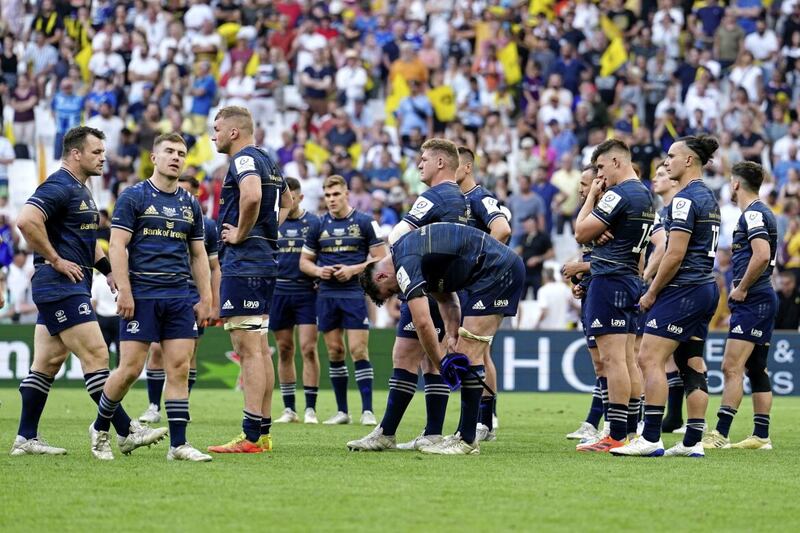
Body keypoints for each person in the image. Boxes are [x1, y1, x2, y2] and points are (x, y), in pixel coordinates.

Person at [11, 126, 165, 457]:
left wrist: (109, 272)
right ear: (76, 154)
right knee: (96, 355)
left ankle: (25, 438)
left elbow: (86, 241)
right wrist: (55, 259)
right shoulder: (59, 184)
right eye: (96, 152)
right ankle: (125, 430)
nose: (103, 158)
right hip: (60, 285)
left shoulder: (82, 189)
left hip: (67, 285)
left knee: (47, 362)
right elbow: (26, 220)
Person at [88, 133, 212, 462]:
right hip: (142, 294)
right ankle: (101, 428)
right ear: (154, 158)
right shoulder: (134, 197)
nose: (175, 157)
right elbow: (116, 246)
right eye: (169, 151)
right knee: (129, 369)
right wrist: (125, 290)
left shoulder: (190, 204)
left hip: (178, 297)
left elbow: (199, 255)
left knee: (179, 368)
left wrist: (206, 296)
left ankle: (178, 445)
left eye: (181, 153)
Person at [358, 222, 525, 455]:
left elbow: (423, 323)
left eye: (391, 291)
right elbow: (446, 299)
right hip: (492, 272)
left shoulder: (404, 263)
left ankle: (467, 440)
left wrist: (440, 364)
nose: (398, 295)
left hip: (497, 272)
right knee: (465, 347)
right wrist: (451, 332)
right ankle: (463, 435)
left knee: (470, 353)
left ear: (382, 276)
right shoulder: (412, 257)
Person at [346, 138, 469, 451]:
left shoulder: (436, 194)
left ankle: (388, 432)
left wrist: (400, 268)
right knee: (427, 359)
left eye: (424, 159)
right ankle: (431, 432)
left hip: (423, 282)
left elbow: (398, 234)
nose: (419, 164)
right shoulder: (458, 198)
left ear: (441, 163)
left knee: (408, 355)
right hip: (440, 283)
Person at [613, 135, 721, 458]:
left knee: (649, 357)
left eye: (672, 156)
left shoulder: (684, 200)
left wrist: (652, 292)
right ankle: (693, 441)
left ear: (689, 161)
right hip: (706, 287)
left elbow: (674, 254)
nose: (666, 162)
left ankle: (650, 438)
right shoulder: (709, 197)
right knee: (692, 363)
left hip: (683, 289)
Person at [207, 106, 292, 454]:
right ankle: (263, 432)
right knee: (259, 348)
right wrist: (267, 231)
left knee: (248, 349)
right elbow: (287, 202)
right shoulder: (268, 161)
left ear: (233, 132)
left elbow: (253, 195)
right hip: (264, 261)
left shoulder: (242, 161)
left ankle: (251, 436)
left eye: (216, 129)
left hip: (244, 263)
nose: (213, 136)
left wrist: (243, 234)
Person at [574, 139, 654, 453]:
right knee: (628, 360)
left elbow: (581, 231)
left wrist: (593, 197)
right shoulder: (645, 195)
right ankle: (630, 430)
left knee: (612, 360)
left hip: (610, 279)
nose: (600, 177)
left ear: (617, 162)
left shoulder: (620, 194)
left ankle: (615, 433)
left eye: (602, 168)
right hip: (630, 278)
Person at [299, 174, 387, 425]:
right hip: (326, 294)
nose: (332, 199)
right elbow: (304, 262)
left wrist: (353, 270)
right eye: (327, 195)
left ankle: (368, 411)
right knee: (335, 351)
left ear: (347, 193)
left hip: (353, 293)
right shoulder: (317, 225)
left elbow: (380, 259)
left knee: (358, 350)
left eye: (336, 194)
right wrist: (318, 271)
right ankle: (342, 412)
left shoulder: (365, 222)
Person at [702, 162, 777, 451]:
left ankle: (720, 433)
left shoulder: (755, 213)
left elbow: (761, 254)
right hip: (762, 297)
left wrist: (742, 287)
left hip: (754, 298)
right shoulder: (760, 212)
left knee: (731, 366)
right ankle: (761, 435)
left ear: (735, 184)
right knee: (756, 368)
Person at [138, 175, 221, 424]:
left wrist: (214, 302)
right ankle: (153, 406)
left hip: (192, 293)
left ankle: (181, 403)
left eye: (186, 192)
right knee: (154, 349)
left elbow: (215, 266)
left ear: (196, 196)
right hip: (161, 289)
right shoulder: (157, 218)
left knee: (188, 353)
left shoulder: (207, 226)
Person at [270, 177, 322, 424]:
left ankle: (310, 408)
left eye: (291, 197)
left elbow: (324, 255)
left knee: (309, 348)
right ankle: (289, 408)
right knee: (284, 349)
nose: (286, 202)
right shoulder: (272, 222)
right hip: (279, 292)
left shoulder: (314, 223)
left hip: (306, 293)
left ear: (300, 198)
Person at [564, 165, 607, 442]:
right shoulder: (593, 219)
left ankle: (618, 424)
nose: (580, 189)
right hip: (593, 291)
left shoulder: (609, 219)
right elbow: (591, 256)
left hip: (611, 293)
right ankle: (595, 422)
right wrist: (579, 279)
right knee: (602, 365)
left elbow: (622, 263)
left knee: (612, 363)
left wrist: (580, 266)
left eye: (584, 184)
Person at [642, 163, 684, 434]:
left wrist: (647, 278)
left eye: (661, 174)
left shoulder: (675, 210)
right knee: (677, 357)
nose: (655, 179)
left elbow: (667, 248)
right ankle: (680, 420)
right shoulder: (663, 212)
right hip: (673, 288)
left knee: (661, 356)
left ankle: (676, 419)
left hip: (675, 288)